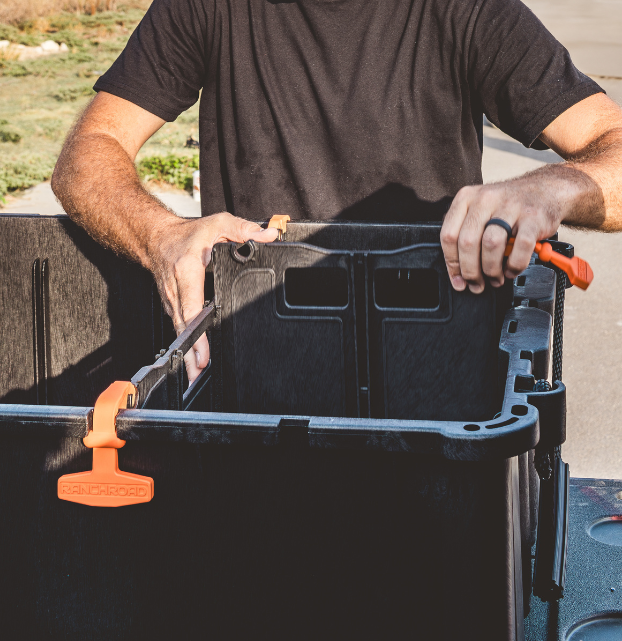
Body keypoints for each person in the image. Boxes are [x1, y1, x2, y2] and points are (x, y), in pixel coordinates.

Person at [51, 0, 622, 382]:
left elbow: (610, 142)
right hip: (258, 364)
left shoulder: (467, 9)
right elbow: (88, 153)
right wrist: (162, 236)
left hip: (436, 364)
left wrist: (549, 189)